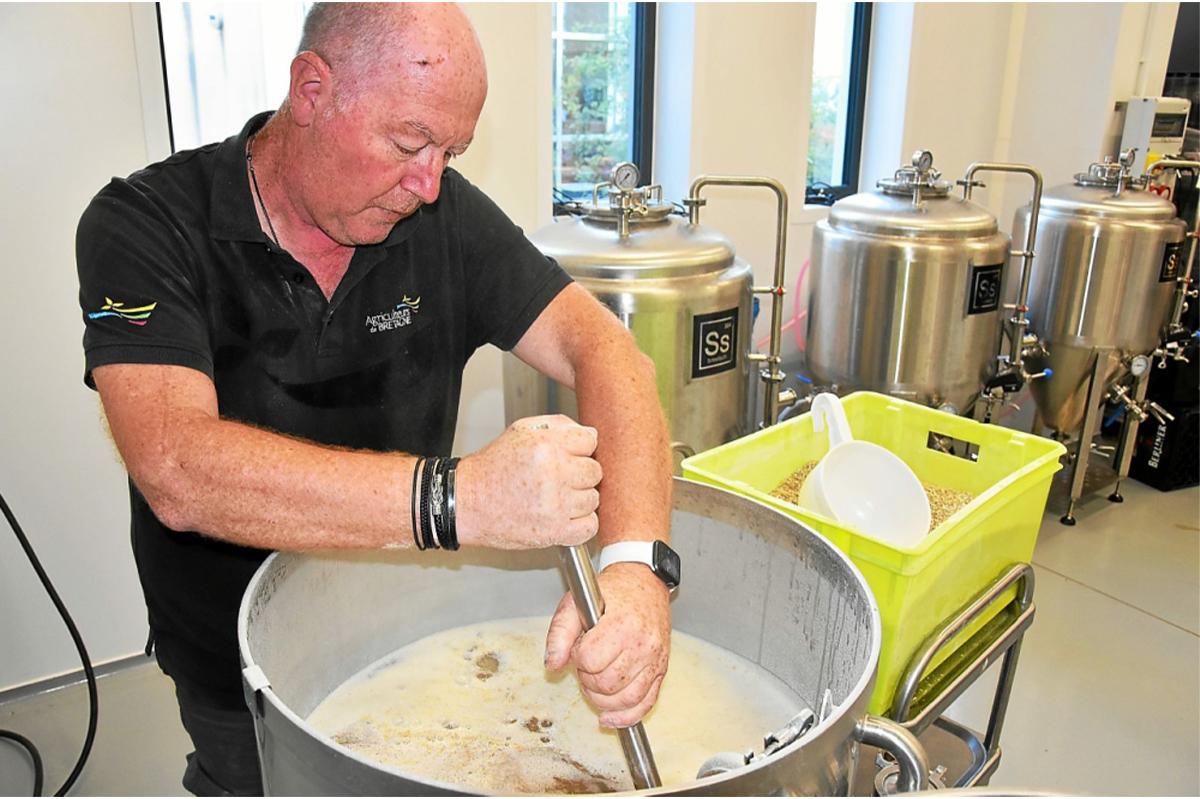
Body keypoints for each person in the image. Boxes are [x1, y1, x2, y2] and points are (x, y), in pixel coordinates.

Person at [75, 4, 673, 795]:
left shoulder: (445, 219)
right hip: (232, 669)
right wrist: (457, 498)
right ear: (312, 89)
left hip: (403, 640)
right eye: (409, 143)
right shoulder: (145, 224)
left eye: (450, 152)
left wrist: (637, 567)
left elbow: (608, 352)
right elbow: (176, 465)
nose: (429, 184)